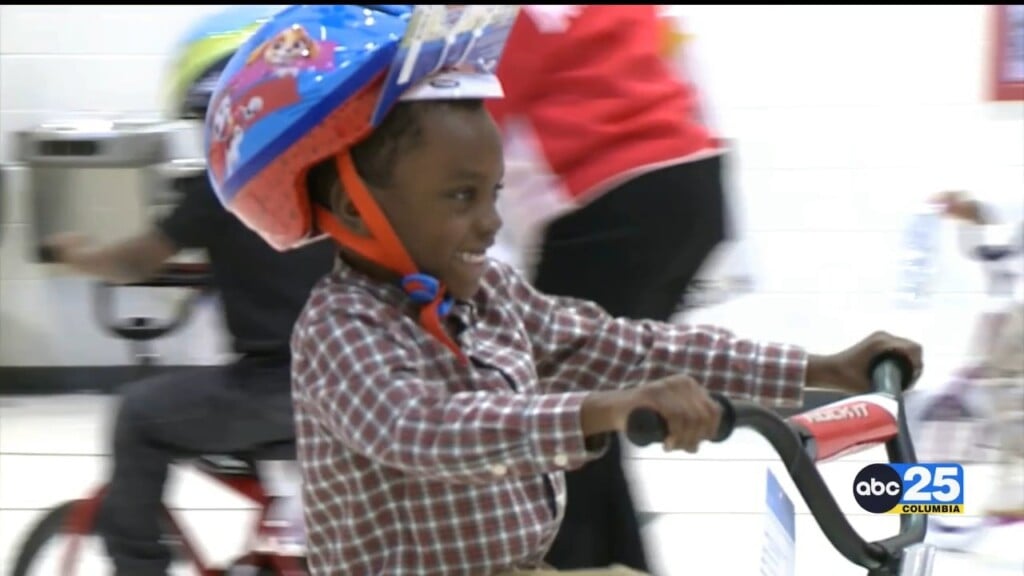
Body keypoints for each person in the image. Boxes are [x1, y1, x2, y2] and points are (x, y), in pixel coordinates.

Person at [202, 6, 924, 575]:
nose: (491, 223)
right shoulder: (340, 329)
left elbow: (631, 347)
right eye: (460, 197)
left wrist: (822, 369)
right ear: (356, 208)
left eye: (494, 193)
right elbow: (426, 429)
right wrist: (605, 409)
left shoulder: (489, 298)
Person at [44, 6, 335, 574]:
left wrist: (79, 256)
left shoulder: (227, 181)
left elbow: (136, 259)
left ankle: (138, 564)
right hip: (354, 381)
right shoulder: (327, 165)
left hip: (279, 390)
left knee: (139, 413)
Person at [484, 6, 737, 569]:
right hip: (693, 177)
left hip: (609, 197)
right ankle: (615, 561)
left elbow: (478, 111)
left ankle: (579, 562)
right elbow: (677, 51)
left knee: (561, 421)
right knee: (589, 416)